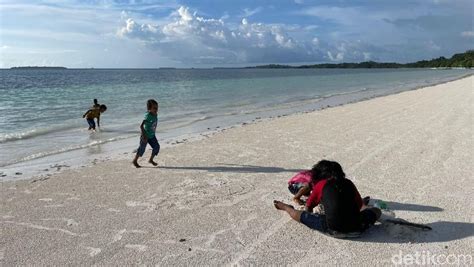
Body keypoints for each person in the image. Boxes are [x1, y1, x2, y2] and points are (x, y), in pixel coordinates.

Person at [274, 160, 381, 237]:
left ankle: (285, 208)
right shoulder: (348, 183)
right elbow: (359, 206)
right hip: (358, 227)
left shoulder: (321, 184)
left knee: (301, 215)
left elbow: (308, 208)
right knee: (377, 211)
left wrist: (313, 216)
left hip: (333, 229)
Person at [132, 99, 160, 168]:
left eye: (157, 108)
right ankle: (135, 160)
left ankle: (151, 160)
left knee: (156, 147)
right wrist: (144, 136)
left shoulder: (155, 114)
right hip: (145, 135)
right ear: (149, 109)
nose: (156, 109)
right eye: (154, 108)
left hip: (152, 135)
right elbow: (141, 126)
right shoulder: (148, 116)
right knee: (142, 149)